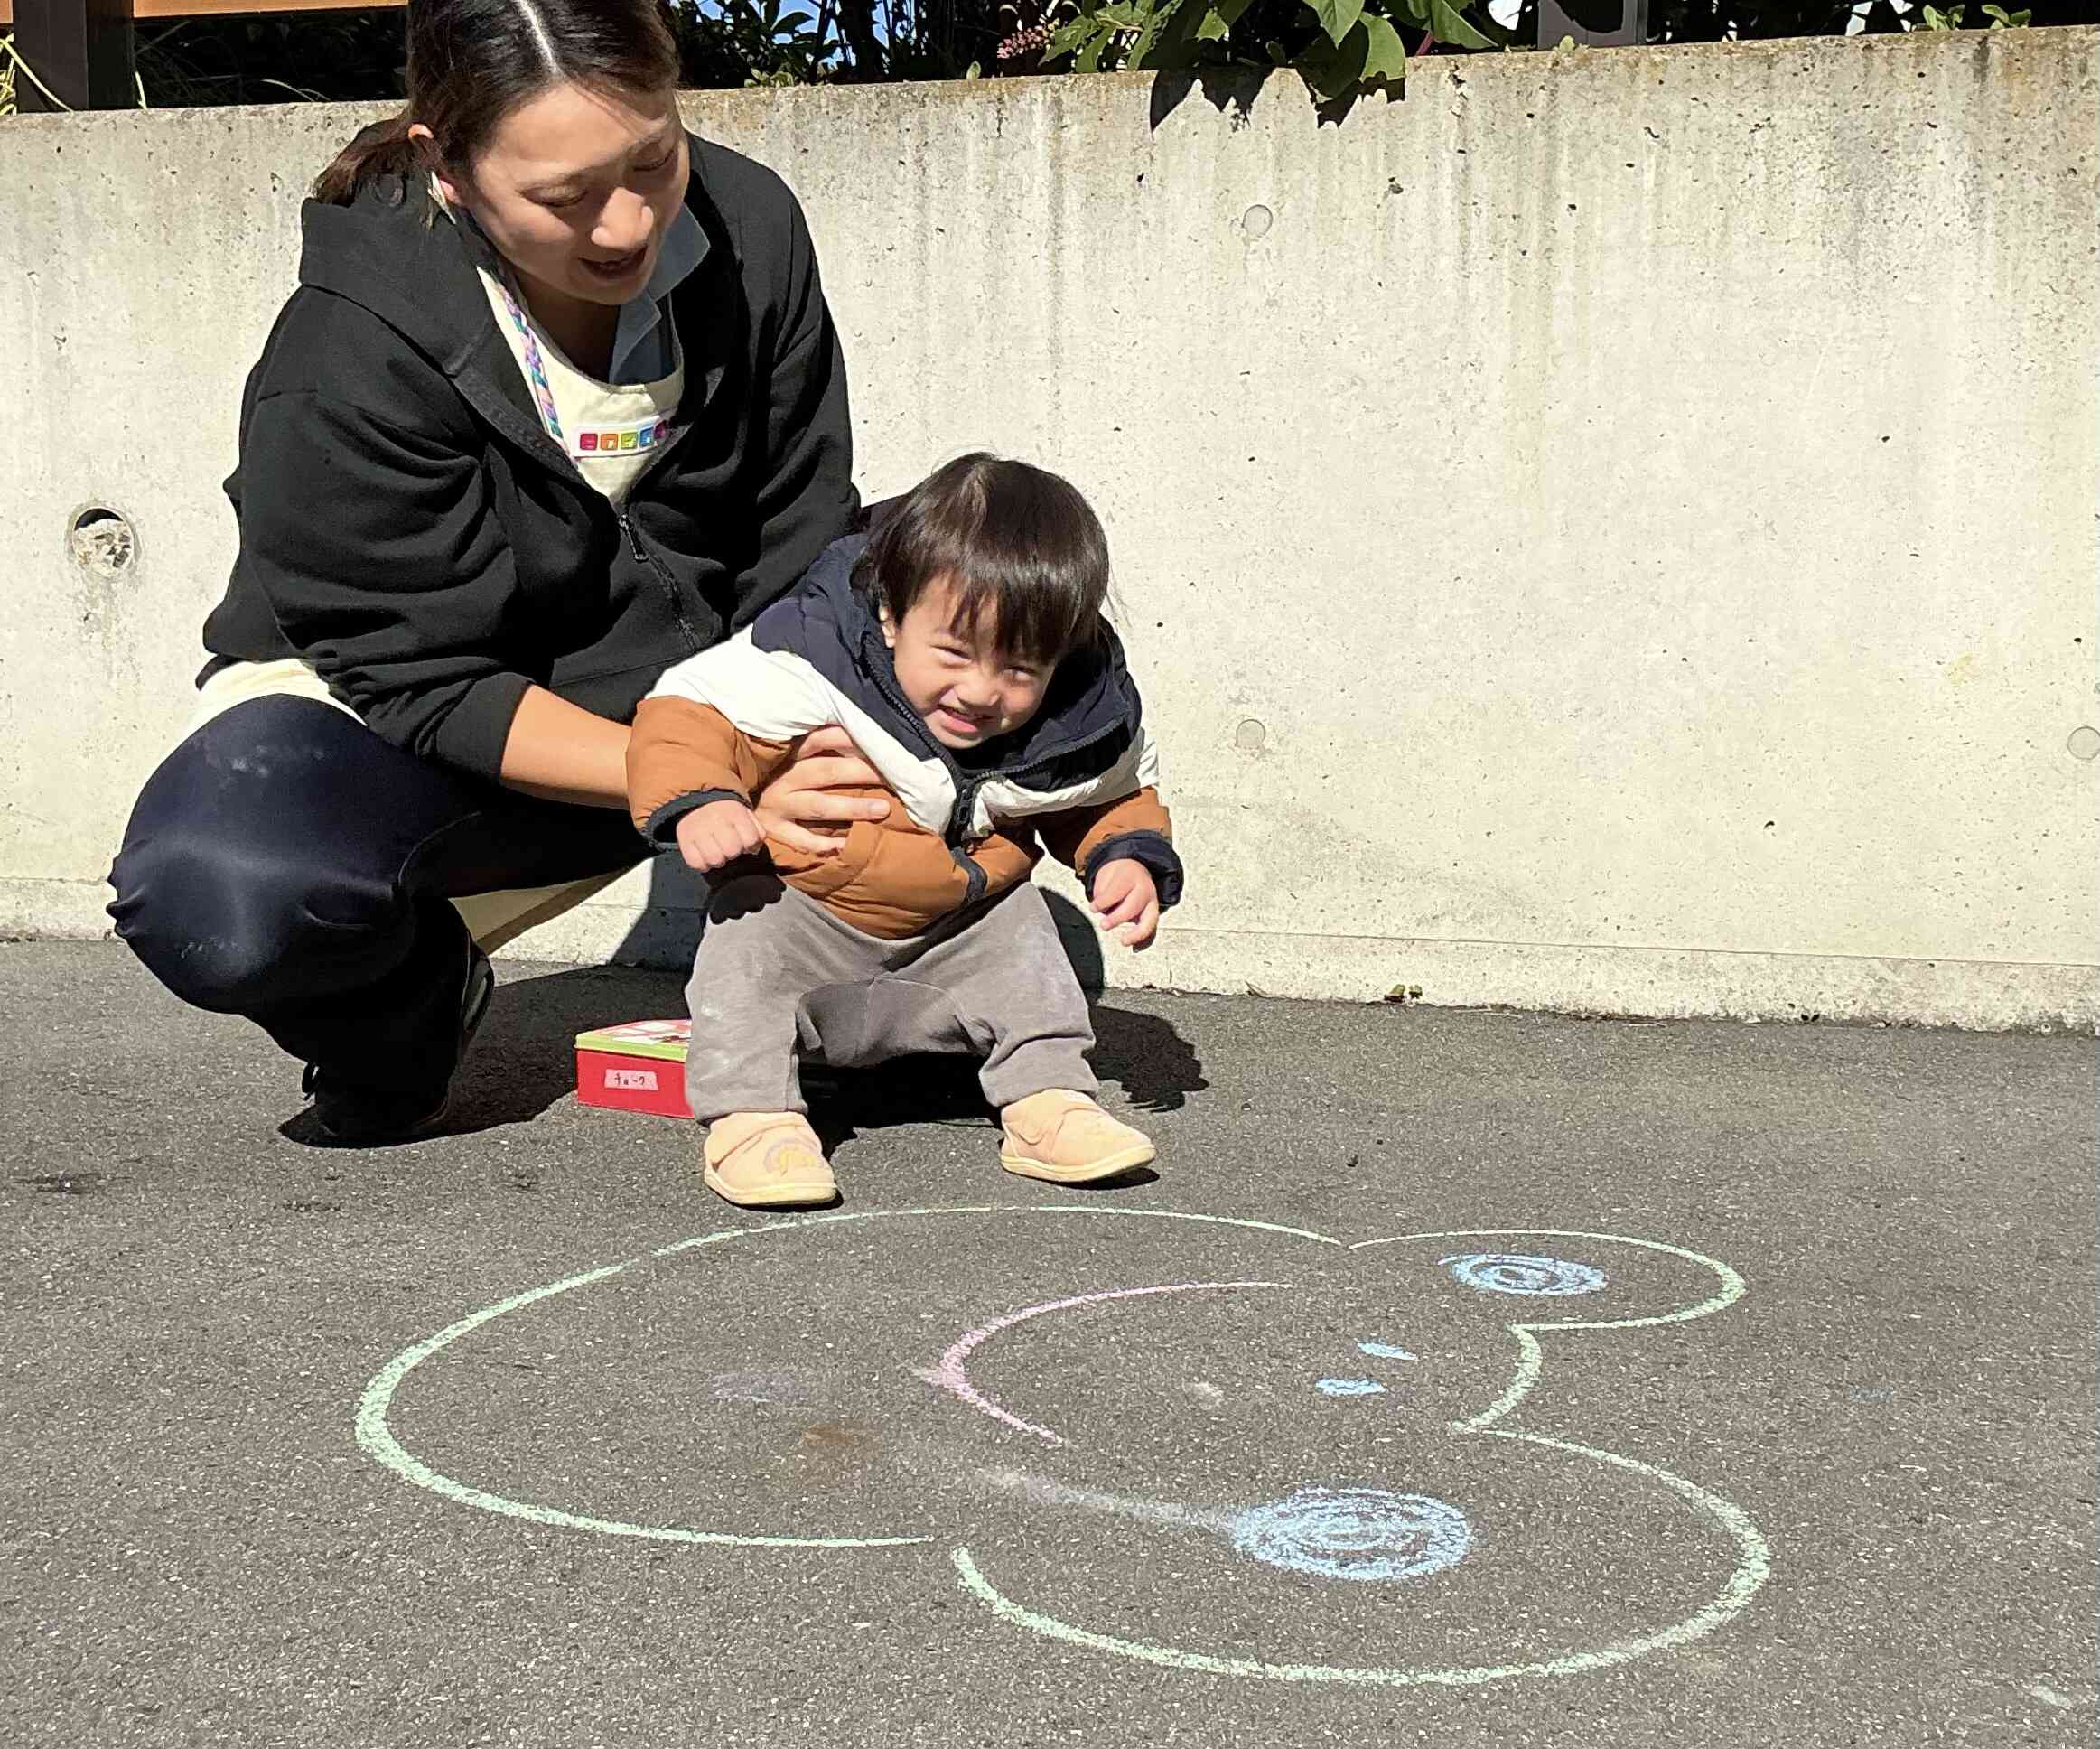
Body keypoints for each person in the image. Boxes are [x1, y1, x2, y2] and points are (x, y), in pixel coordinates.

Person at [106, 0, 891, 1144]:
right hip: (402, 736)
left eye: (653, 160)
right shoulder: (345, 350)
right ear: (447, 167)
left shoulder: (754, 225)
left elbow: (800, 523)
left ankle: (889, 1007)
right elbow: (420, 678)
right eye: (563, 197)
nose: (627, 225)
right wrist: (698, 777)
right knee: (219, 892)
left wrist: (807, 740)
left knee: (992, 577)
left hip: (684, 712)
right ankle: (407, 1000)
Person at [627, 453, 1186, 1208]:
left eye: (1020, 670)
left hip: (956, 931)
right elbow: (690, 717)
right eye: (953, 653)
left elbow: (1107, 793)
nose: (982, 692)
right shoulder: (809, 661)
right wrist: (701, 800)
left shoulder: (1076, 719)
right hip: (811, 916)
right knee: (746, 930)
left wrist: (1123, 856)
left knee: (1021, 923)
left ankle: (1049, 1101)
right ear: (891, 615)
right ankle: (755, 1121)